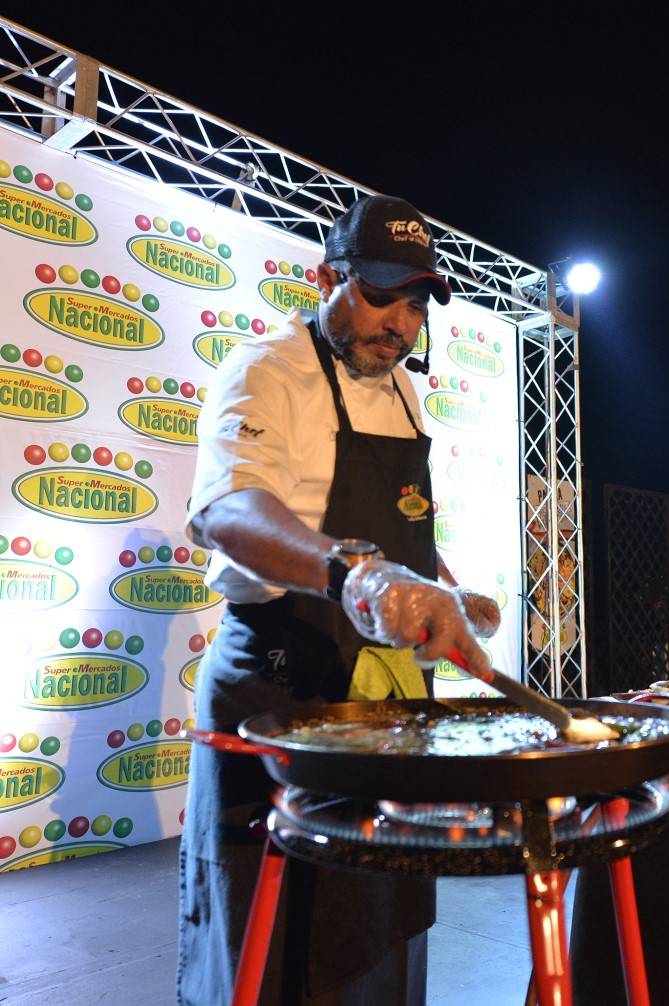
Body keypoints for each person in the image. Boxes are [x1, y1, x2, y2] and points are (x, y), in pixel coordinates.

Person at [177, 194, 500, 1005]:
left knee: (379, 924)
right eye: (382, 293)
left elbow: (400, 528)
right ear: (328, 276)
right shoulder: (266, 370)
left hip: (386, 705)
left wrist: (445, 590)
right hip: (283, 680)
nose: (400, 322)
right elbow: (228, 509)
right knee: (273, 933)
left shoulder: (401, 392)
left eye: (417, 302)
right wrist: (357, 573)